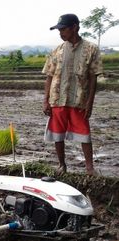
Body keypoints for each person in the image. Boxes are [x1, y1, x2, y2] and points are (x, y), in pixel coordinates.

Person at [42, 13, 103, 175]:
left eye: (63, 29)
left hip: (79, 100)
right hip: (58, 99)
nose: (61, 33)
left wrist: (89, 103)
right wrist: (45, 101)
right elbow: (49, 76)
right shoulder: (57, 51)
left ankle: (89, 168)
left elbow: (93, 78)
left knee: (84, 133)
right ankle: (62, 165)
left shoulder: (91, 49)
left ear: (75, 27)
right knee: (57, 134)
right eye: (59, 30)